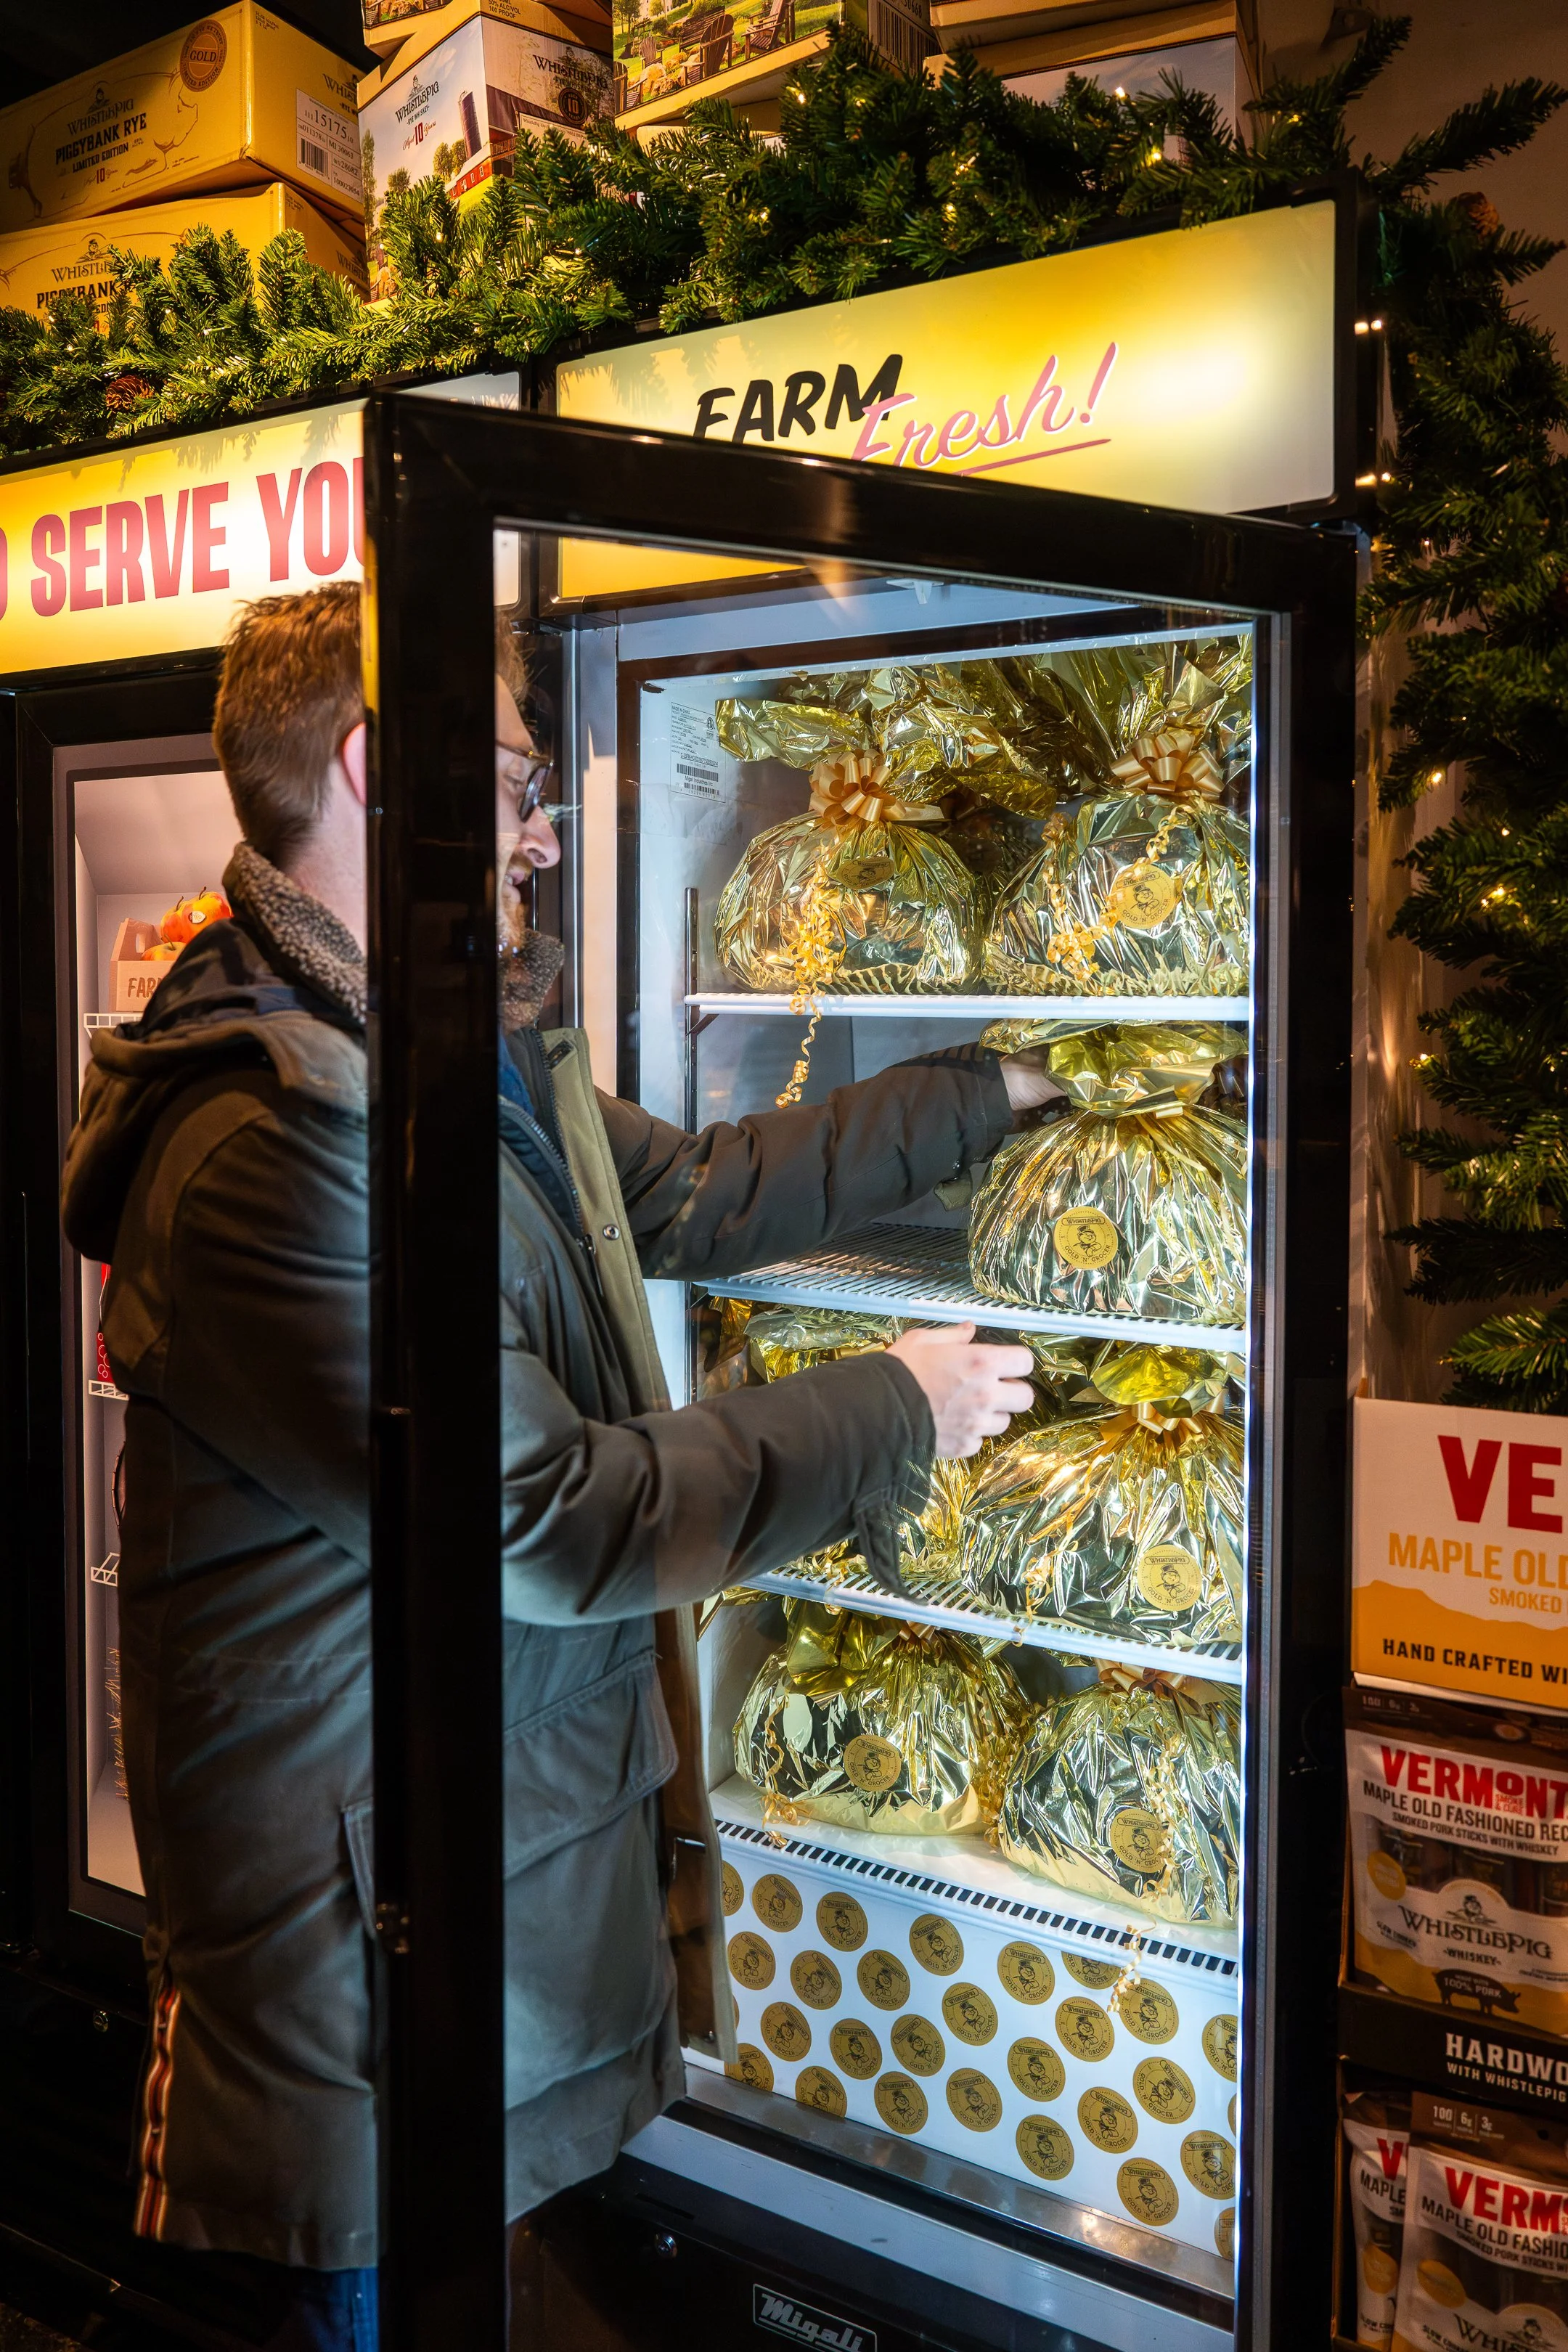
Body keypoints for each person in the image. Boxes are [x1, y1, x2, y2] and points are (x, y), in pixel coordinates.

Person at [60, 582, 1055, 2349]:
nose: (536, 833)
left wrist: (999, 1081)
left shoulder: (446, 1064)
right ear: (383, 766)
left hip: (449, 1919)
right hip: (344, 2006)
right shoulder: (272, 1151)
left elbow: (702, 1192)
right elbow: (545, 1513)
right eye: (519, 780)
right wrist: (896, 1408)